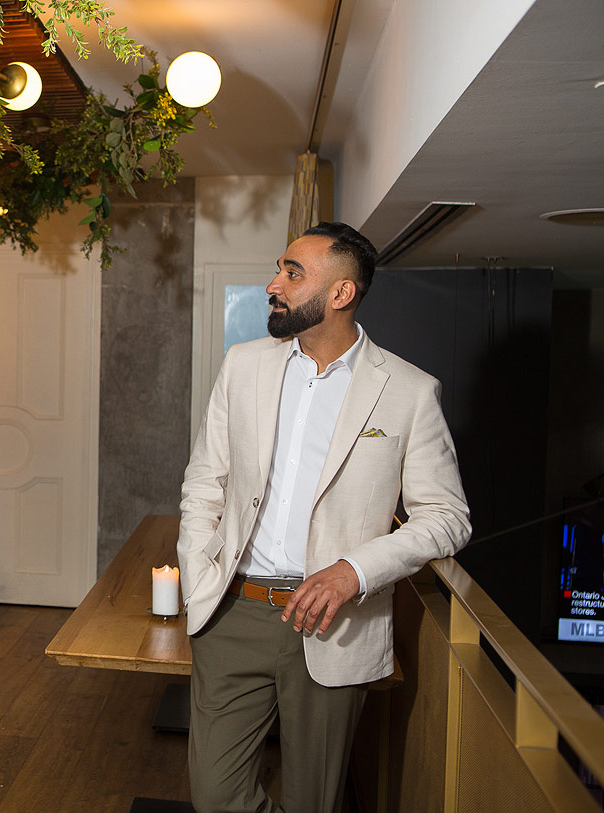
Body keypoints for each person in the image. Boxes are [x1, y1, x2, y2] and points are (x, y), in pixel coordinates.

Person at [177, 222, 470, 812]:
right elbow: (205, 480)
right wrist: (196, 569)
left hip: (333, 623)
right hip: (231, 610)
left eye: (292, 273)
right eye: (278, 270)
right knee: (213, 794)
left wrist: (352, 573)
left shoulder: (409, 391)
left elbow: (447, 517)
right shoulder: (243, 365)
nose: (273, 284)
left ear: (340, 294)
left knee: (314, 800)